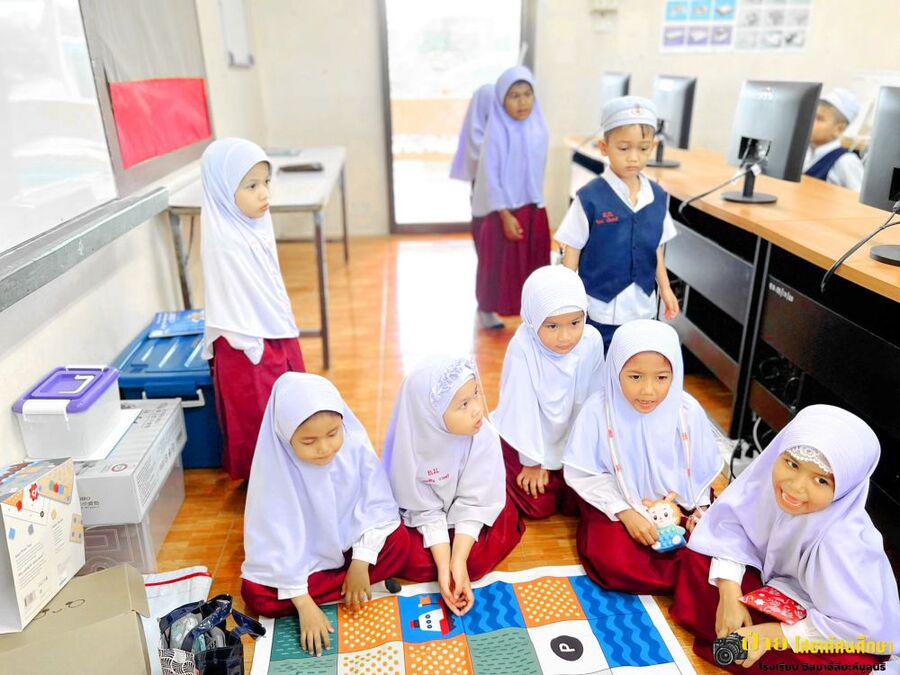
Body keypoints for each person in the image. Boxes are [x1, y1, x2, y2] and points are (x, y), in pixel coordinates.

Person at [671, 405, 898, 672]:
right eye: (792, 464)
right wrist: (729, 592)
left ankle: (733, 636)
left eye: (821, 480)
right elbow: (729, 530)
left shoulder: (845, 541)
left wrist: (771, 635)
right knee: (699, 556)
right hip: (770, 590)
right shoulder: (768, 487)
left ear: (846, 487)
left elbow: (856, 627)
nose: (795, 486)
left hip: (825, 621)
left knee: (850, 663)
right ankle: (734, 631)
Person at [240, 373, 408, 656]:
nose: (325, 448)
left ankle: (352, 579)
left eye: (333, 433)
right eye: (309, 441)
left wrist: (361, 561)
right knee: (256, 594)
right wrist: (304, 604)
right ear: (286, 438)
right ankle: (341, 588)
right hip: (302, 563)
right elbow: (275, 541)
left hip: (349, 550)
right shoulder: (276, 469)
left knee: (400, 542)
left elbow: (376, 505)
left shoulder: (352, 446)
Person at [563, 319, 723, 594]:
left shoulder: (687, 411)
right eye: (635, 377)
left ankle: (685, 569)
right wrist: (626, 513)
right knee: (614, 559)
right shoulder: (598, 410)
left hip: (677, 502)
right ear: (615, 371)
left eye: (661, 378)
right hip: (617, 499)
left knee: (709, 544)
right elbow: (586, 473)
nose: (648, 391)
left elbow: (698, 472)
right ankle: (680, 575)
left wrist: (700, 510)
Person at [384, 357, 524, 615]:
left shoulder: (482, 435)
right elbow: (422, 508)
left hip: (473, 509)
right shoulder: (410, 446)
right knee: (406, 553)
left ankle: (458, 561)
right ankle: (447, 563)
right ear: (431, 415)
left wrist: (458, 560)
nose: (477, 410)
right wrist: (443, 566)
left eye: (476, 394)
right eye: (463, 404)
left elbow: (477, 500)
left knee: (474, 559)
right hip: (425, 518)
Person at [200, 138, 305, 480]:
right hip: (246, 343)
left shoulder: (256, 222)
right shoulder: (225, 241)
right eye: (251, 186)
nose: (264, 193)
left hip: (273, 330)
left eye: (266, 182)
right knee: (258, 413)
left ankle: (291, 465)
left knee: (289, 401)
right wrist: (251, 341)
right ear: (223, 189)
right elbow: (232, 301)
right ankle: (264, 479)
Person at [556, 97, 679, 352]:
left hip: (643, 309)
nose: (634, 158)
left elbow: (655, 248)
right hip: (599, 309)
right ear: (604, 147)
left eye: (643, 149)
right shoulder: (590, 197)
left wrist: (665, 289)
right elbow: (573, 249)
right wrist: (567, 299)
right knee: (598, 367)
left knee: (635, 363)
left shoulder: (657, 197)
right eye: (624, 148)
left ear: (654, 146)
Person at [494, 265, 604, 519]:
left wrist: (583, 453)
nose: (565, 337)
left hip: (571, 438)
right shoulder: (524, 346)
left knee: (576, 504)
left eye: (575, 323)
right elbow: (521, 409)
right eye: (552, 326)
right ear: (533, 320)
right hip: (527, 438)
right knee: (538, 506)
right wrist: (531, 463)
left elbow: (594, 400)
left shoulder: (591, 341)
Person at [471, 65, 550, 330]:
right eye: (514, 96)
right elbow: (491, 177)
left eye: (527, 94)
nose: (522, 102)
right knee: (496, 266)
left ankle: (533, 313)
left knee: (533, 264)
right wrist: (505, 215)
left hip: (533, 206)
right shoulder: (496, 131)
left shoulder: (539, 127)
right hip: (502, 210)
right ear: (501, 100)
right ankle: (487, 309)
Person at [803, 88, 864, 191]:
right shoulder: (805, 153)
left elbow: (860, 198)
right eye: (812, 115)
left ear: (839, 129)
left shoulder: (846, 161)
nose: (811, 121)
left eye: (819, 118)